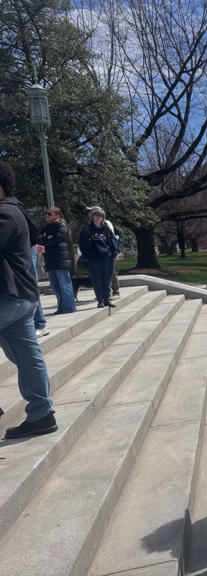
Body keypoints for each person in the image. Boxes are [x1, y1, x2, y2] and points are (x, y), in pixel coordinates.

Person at [0, 160, 57, 438]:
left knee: (29, 356)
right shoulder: (15, 210)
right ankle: (42, 414)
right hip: (21, 298)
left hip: (8, 297)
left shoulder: (6, 214)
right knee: (27, 355)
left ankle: (42, 411)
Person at [38, 206, 77, 314]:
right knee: (55, 286)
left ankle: (69, 308)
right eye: (46, 213)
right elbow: (39, 239)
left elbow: (57, 239)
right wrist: (47, 238)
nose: (46, 215)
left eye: (49, 213)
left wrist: (47, 239)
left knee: (65, 284)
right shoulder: (47, 227)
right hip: (50, 260)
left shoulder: (62, 225)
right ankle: (61, 307)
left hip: (61, 260)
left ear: (57, 216)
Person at [79, 207, 118, 308]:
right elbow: (82, 244)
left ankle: (107, 300)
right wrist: (86, 256)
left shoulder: (106, 229)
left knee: (106, 280)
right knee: (97, 280)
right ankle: (100, 300)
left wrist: (113, 254)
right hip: (93, 258)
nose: (98, 217)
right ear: (92, 217)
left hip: (107, 258)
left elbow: (113, 242)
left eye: (100, 216)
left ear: (103, 217)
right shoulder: (87, 229)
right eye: (96, 215)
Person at [86, 206, 121, 298]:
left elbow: (111, 239)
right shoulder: (91, 225)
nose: (90, 213)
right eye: (90, 212)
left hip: (107, 253)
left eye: (92, 211)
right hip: (97, 254)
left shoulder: (106, 224)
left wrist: (113, 252)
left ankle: (115, 291)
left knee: (112, 272)